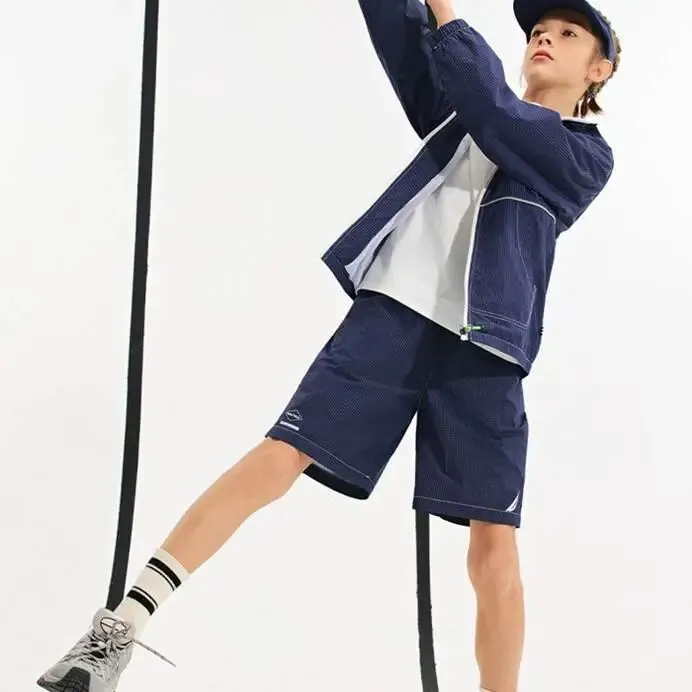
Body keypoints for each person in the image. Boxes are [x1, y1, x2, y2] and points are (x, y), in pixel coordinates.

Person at [37, 0, 621, 690]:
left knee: (491, 547)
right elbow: (408, 35)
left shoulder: (584, 158)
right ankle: (118, 631)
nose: (544, 40)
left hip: (483, 351)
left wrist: (446, 10)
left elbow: (496, 112)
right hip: (393, 318)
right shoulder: (461, 109)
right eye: (537, 32)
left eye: (567, 34)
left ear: (600, 69)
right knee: (277, 456)